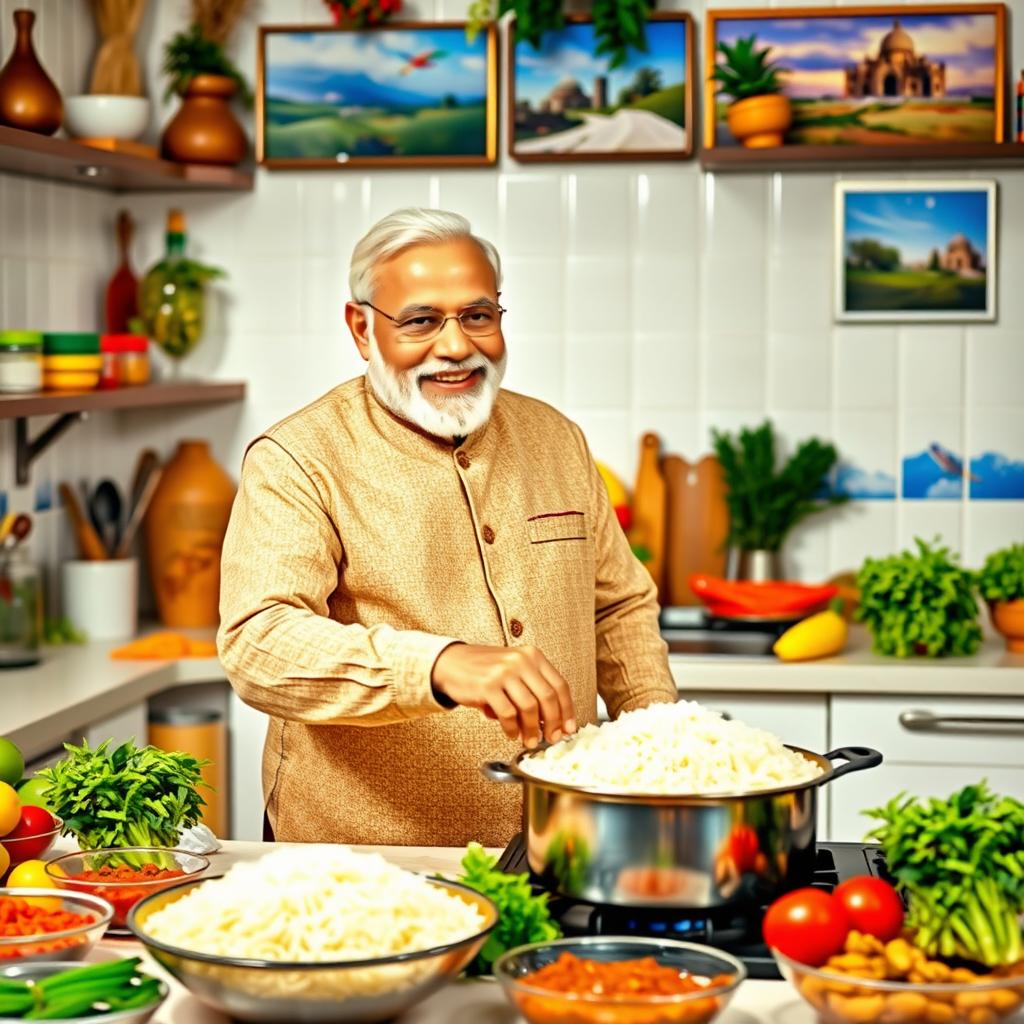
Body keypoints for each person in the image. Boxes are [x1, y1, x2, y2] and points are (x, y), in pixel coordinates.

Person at [217, 208, 677, 847]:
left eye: (478, 315)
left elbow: (619, 605)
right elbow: (258, 644)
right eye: (421, 321)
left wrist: (662, 745)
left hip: (560, 842)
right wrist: (437, 665)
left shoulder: (557, 439)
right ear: (361, 328)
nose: (457, 345)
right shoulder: (297, 458)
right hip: (359, 859)